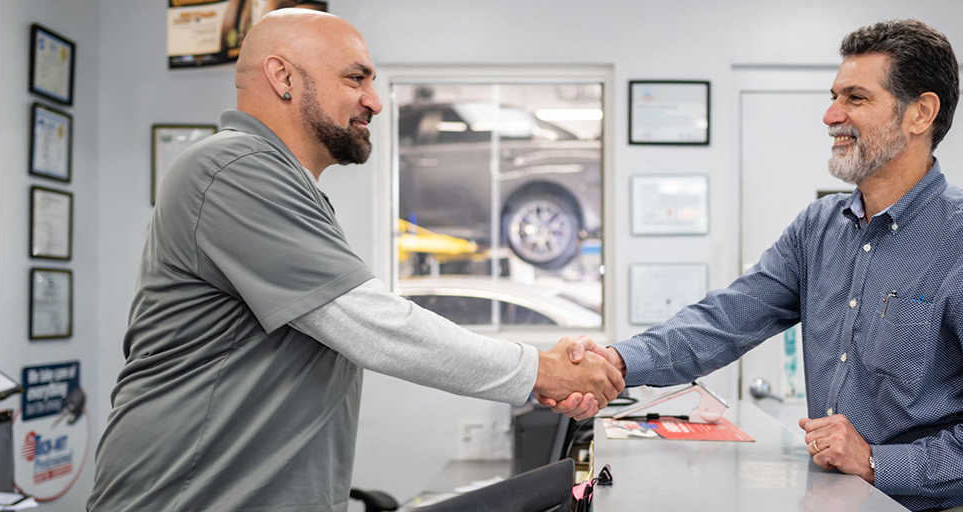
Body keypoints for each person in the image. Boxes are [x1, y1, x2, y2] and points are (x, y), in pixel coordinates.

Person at [88, 10, 622, 511]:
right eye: (355, 79)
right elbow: (371, 323)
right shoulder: (232, 168)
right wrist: (538, 371)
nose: (375, 101)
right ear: (283, 77)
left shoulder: (289, 185)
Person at [543, 19, 963, 512]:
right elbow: (726, 319)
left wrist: (880, 462)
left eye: (855, 98)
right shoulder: (818, 228)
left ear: (920, 114)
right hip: (835, 498)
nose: (831, 115)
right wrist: (615, 360)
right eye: (834, 97)